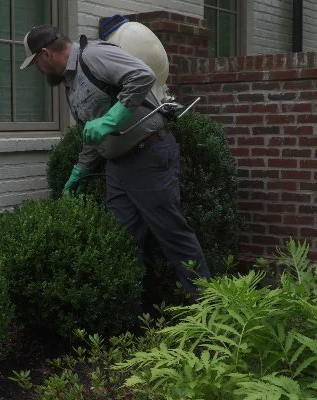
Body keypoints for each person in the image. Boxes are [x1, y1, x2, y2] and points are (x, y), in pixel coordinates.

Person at [19, 24, 210, 299]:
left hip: (148, 156)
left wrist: (111, 119)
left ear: (45, 54)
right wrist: (80, 171)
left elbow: (143, 75)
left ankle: (210, 313)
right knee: (123, 243)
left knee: (173, 236)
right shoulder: (71, 82)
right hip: (118, 167)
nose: (38, 71)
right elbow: (92, 132)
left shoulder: (93, 56)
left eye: (35, 63)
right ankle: (130, 326)